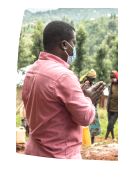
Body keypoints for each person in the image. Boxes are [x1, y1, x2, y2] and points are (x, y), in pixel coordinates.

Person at [21, 21, 106, 170]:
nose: (75, 48)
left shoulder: (32, 71)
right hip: (61, 161)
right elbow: (85, 118)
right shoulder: (64, 76)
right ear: (64, 45)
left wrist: (77, 95)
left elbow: (49, 104)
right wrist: (88, 100)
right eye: (74, 43)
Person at [79, 69, 101, 145]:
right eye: (92, 79)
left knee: (93, 126)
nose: (93, 80)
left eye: (94, 79)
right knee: (87, 126)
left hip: (93, 107)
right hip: (86, 107)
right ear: (88, 78)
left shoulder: (92, 85)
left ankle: (92, 141)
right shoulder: (85, 85)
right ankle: (87, 141)